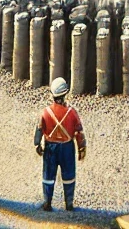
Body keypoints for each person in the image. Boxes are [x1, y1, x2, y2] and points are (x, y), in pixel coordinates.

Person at [35, 78, 86, 212]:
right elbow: (79, 131)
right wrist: (82, 147)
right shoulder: (72, 112)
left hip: (50, 147)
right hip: (67, 147)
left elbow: (39, 129)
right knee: (69, 175)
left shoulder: (45, 112)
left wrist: (37, 144)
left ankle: (47, 203)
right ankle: (68, 204)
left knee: (48, 175)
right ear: (65, 94)